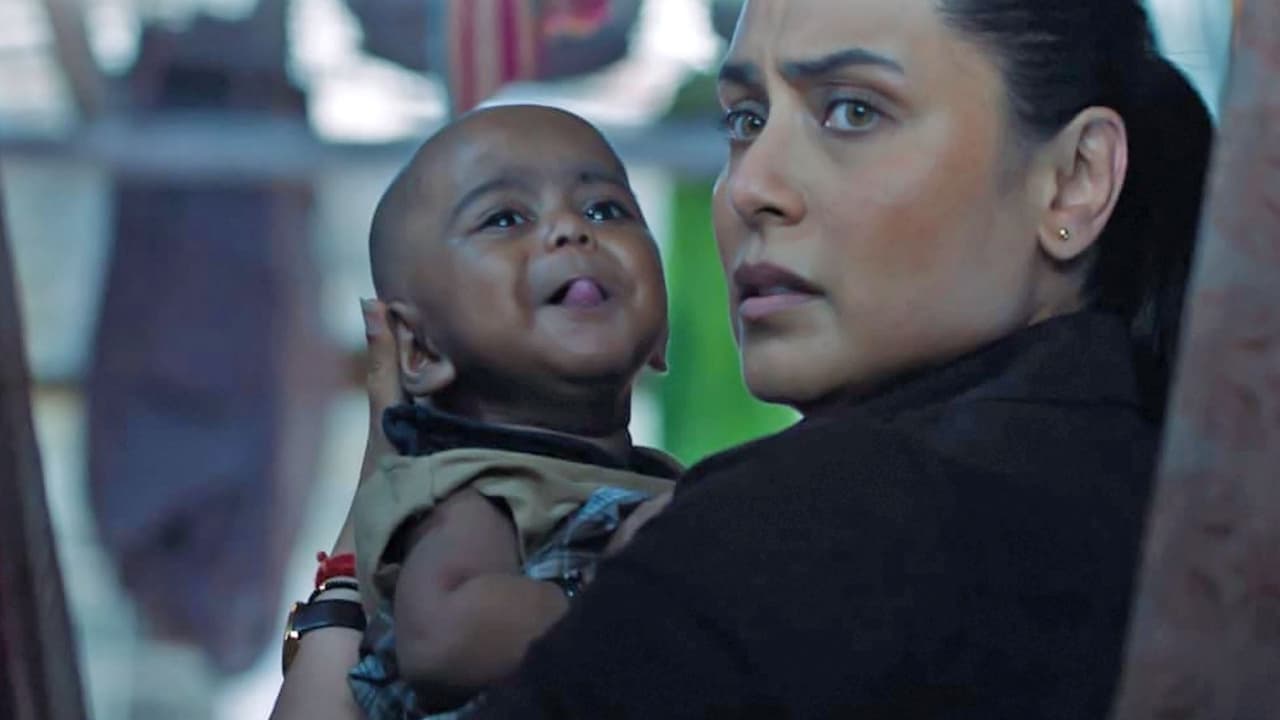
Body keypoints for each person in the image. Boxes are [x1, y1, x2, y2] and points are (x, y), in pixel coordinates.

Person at [273, 0, 1215, 715]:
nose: (750, 186)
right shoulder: (1160, 480)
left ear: (1075, 179)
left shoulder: (799, 530)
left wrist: (352, 577)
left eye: (853, 111)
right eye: (744, 120)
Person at [271, 105, 679, 720]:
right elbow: (441, 638)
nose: (571, 229)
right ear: (419, 349)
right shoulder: (471, 488)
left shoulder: (669, 481)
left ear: (661, 332)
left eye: (605, 210)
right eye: (505, 218)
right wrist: (615, 589)